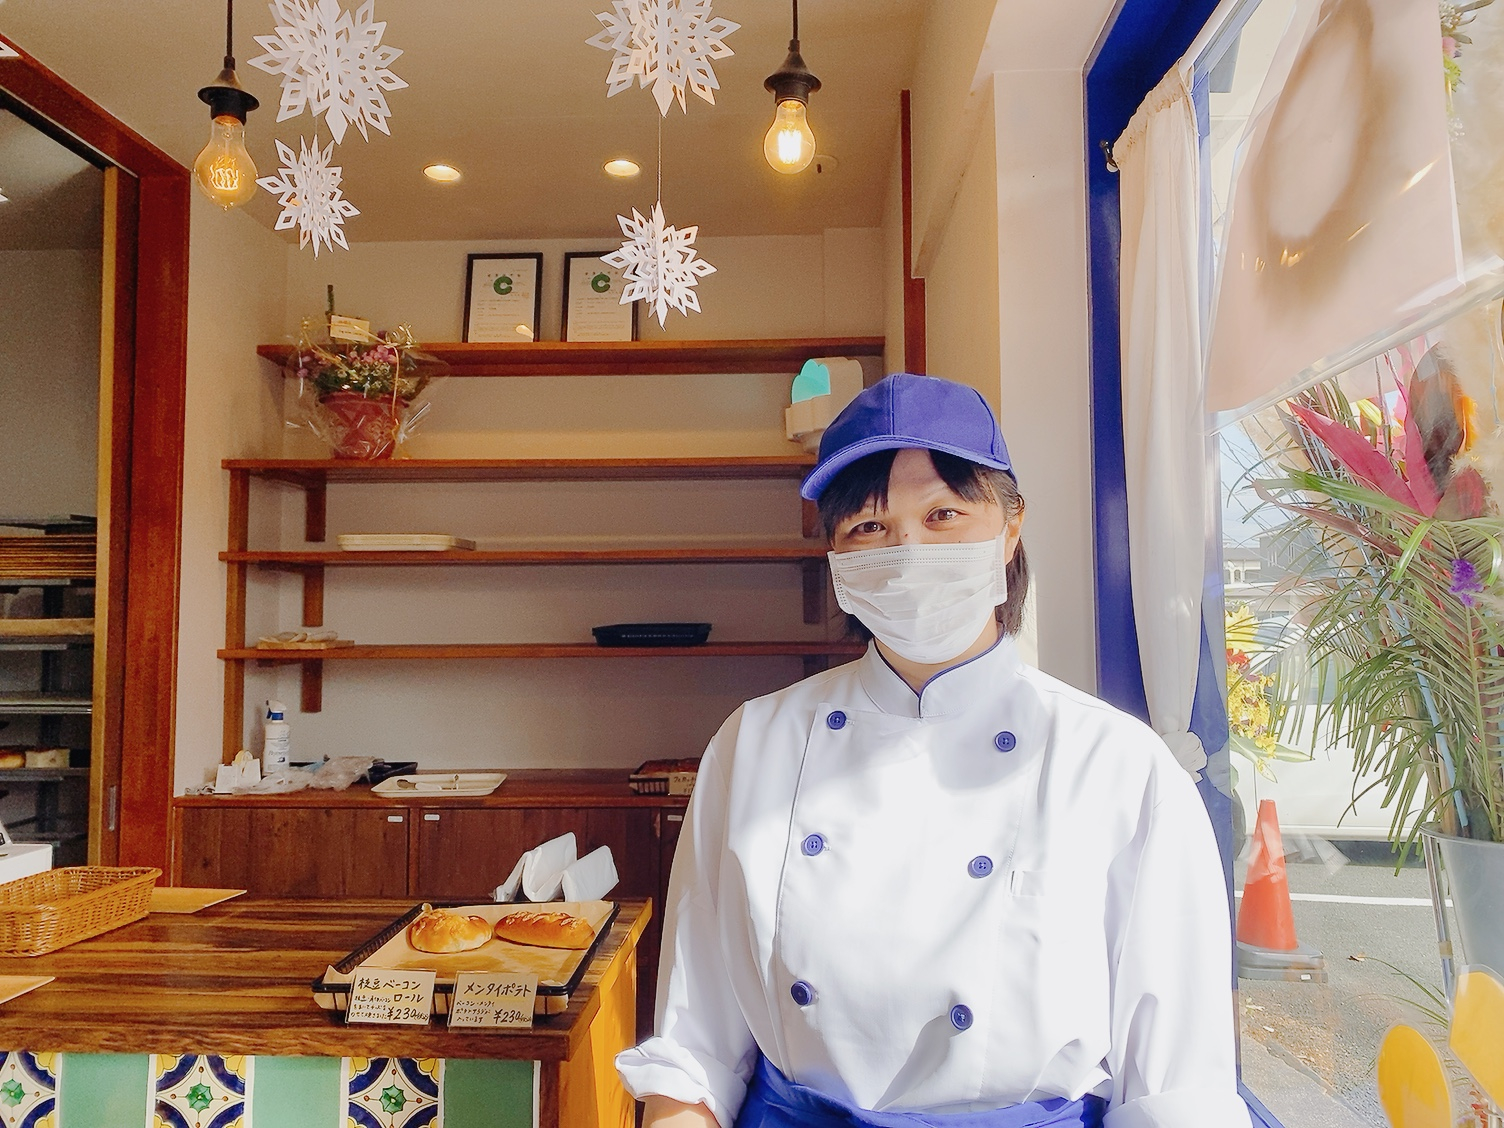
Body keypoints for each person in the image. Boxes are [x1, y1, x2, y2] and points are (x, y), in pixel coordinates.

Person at [616, 373, 1251, 1128]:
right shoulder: (753, 744)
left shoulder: (1118, 766)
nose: (907, 551)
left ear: (1010, 529)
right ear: (835, 555)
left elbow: (1176, 1092)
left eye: (943, 514)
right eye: (868, 527)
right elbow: (695, 1051)